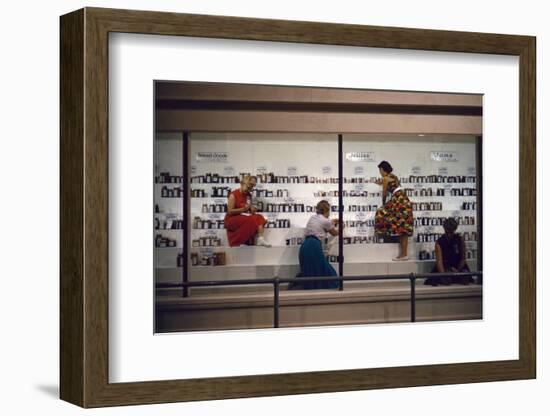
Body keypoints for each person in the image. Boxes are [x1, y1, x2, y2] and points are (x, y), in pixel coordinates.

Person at [291, 200, 341, 290]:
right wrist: (342, 226)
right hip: (314, 247)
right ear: (326, 210)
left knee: (310, 270)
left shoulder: (312, 218)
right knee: (325, 270)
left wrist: (331, 221)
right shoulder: (326, 221)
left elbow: (322, 223)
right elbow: (335, 233)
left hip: (305, 246)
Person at [374, 161, 413, 260]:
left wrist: (383, 204)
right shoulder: (393, 177)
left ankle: (403, 253)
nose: (380, 172)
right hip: (403, 200)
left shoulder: (386, 178)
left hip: (398, 201)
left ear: (382, 169)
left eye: (380, 170)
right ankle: (404, 253)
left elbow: (384, 194)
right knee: (403, 226)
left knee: (380, 212)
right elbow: (393, 185)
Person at [224, 175, 271, 247]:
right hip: (231, 219)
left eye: (251, 187)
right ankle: (239, 242)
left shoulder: (248, 195)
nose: (249, 189)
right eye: (249, 186)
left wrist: (252, 209)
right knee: (251, 219)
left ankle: (260, 239)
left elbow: (249, 209)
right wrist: (243, 209)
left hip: (242, 217)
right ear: (243, 183)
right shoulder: (233, 195)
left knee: (259, 217)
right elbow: (230, 211)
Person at [425, 217, 473, 286]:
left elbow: (463, 259)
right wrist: (443, 275)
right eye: (448, 231)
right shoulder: (440, 242)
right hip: (445, 267)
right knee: (446, 280)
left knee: (464, 278)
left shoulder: (459, 240)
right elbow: (439, 261)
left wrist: (457, 270)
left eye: (451, 231)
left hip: (458, 267)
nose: (450, 234)